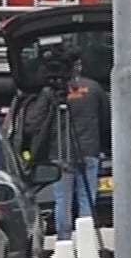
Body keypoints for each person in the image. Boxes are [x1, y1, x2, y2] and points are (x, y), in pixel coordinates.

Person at [12, 51, 111, 244]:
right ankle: (87, 242)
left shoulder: (50, 92)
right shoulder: (94, 88)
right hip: (89, 151)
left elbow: (32, 123)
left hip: (60, 154)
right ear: (79, 66)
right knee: (87, 199)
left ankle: (63, 240)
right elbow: (106, 121)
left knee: (62, 200)